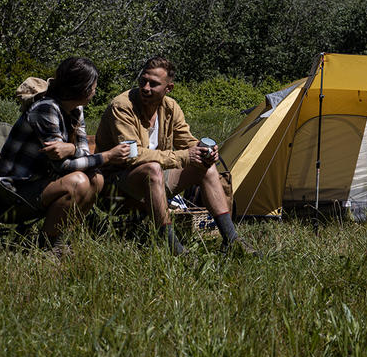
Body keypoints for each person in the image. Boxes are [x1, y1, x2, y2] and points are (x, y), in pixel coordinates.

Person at [95, 56, 258, 256]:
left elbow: (187, 141)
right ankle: (174, 250)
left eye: (153, 84)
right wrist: (182, 157)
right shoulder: (122, 106)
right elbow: (132, 155)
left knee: (205, 166)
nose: (145, 87)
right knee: (153, 169)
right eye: (143, 81)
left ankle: (232, 240)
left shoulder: (170, 107)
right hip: (116, 185)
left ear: (168, 88)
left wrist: (205, 150)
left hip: (154, 180)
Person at [0, 57, 130, 254]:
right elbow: (63, 167)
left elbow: (83, 152)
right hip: (13, 190)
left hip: (41, 182)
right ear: (83, 89)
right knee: (78, 182)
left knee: (97, 180)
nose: (95, 91)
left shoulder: (76, 109)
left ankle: (56, 239)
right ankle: (49, 247)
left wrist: (71, 149)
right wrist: (108, 156)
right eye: (94, 86)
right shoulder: (45, 109)